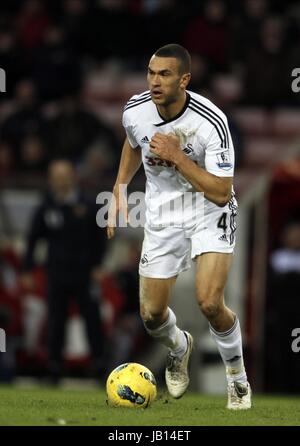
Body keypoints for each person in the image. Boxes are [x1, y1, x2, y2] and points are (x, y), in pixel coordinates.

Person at [107, 43, 251, 410]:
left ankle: (236, 377)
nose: (155, 81)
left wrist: (175, 156)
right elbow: (132, 143)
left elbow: (221, 192)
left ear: (184, 79)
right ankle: (179, 346)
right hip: (162, 212)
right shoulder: (135, 110)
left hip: (208, 208)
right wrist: (120, 186)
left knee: (209, 301)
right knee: (152, 315)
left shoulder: (211, 122)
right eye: (151, 73)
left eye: (165, 74)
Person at [22, 159, 106, 382]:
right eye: (56, 176)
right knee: (56, 320)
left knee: (92, 318)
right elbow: (33, 238)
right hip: (56, 273)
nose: (60, 181)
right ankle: (54, 366)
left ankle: (98, 364)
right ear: (50, 180)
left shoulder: (88, 204)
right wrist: (28, 268)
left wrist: (98, 264)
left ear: (73, 177)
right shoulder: (47, 205)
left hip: (85, 273)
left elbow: (101, 237)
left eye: (64, 176)